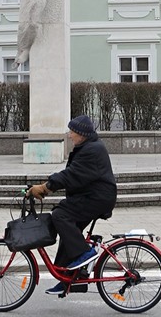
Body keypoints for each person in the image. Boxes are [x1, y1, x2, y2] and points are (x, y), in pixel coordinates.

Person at [27, 114, 117, 295]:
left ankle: (85, 254)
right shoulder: (87, 147)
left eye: (72, 131)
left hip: (98, 198)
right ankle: (67, 278)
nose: (69, 135)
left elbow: (71, 175)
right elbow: (72, 175)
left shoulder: (92, 150)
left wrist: (45, 188)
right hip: (91, 195)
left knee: (61, 215)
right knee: (68, 230)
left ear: (81, 133)